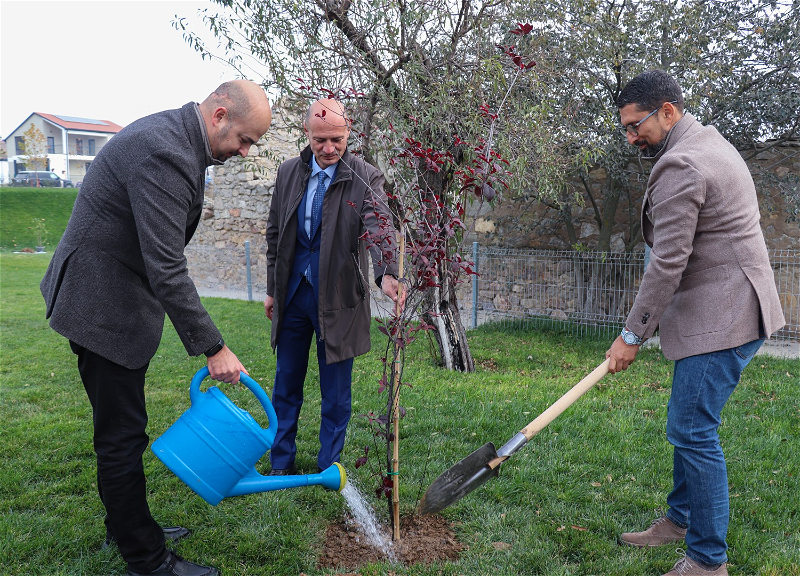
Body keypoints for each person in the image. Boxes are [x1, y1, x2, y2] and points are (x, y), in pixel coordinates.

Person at [40, 80, 272, 576]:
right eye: (245, 139)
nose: (244, 151)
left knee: (122, 432)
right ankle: (147, 561)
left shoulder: (178, 140)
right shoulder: (165, 151)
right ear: (219, 115)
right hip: (98, 305)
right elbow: (166, 265)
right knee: (122, 438)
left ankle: (126, 525)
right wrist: (214, 346)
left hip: (108, 298)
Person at [606, 69, 785, 576]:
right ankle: (682, 519)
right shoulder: (708, 142)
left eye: (635, 125)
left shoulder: (683, 163)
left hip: (724, 315)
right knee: (690, 425)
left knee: (692, 429)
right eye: (625, 128)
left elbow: (668, 262)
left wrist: (631, 335)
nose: (630, 137)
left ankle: (708, 561)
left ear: (667, 110)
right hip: (734, 304)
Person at [264, 99, 404, 475]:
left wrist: (388, 270)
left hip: (339, 298)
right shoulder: (288, 172)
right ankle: (281, 462)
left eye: (337, 140)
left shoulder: (364, 176)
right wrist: (272, 289)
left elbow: (378, 224)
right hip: (293, 295)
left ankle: (328, 466)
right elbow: (275, 233)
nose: (328, 148)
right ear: (307, 134)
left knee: (336, 394)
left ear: (349, 134)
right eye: (320, 140)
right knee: (286, 384)